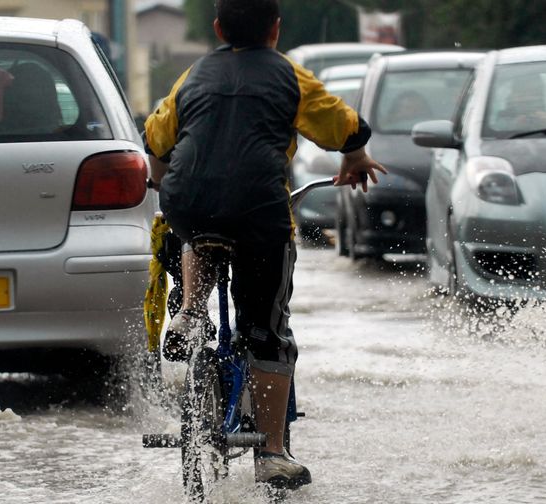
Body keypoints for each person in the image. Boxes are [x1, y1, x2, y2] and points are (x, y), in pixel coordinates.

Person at [143, 0, 386, 490]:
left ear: (217, 29)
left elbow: (156, 136)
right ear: (276, 28)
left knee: (195, 226)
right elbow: (342, 125)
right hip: (257, 208)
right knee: (266, 331)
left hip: (187, 199)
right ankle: (272, 453)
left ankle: (191, 311)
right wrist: (356, 155)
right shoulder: (288, 76)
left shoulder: (193, 75)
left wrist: (162, 181)